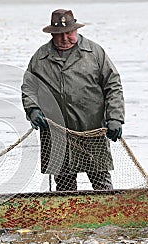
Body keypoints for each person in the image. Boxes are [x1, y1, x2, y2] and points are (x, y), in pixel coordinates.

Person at [21, 9, 125, 191]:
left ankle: (108, 219)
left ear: (75, 30)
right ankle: (65, 218)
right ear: (52, 34)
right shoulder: (40, 57)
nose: (65, 38)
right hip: (56, 133)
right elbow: (29, 87)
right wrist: (32, 109)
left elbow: (113, 85)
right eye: (60, 35)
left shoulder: (94, 52)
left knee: (102, 183)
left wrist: (115, 118)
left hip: (92, 131)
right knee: (64, 188)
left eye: (69, 33)